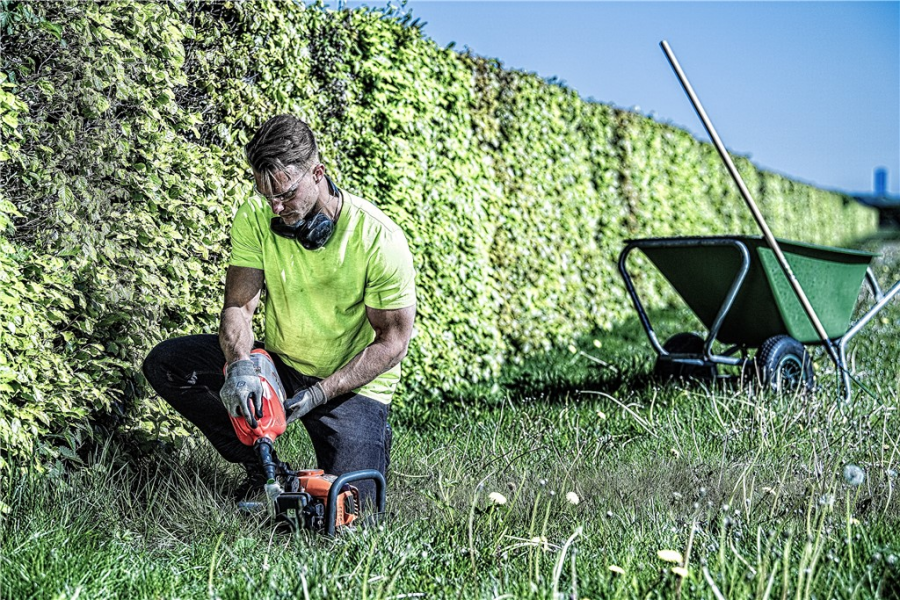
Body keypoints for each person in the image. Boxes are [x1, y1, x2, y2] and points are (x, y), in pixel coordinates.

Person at [143, 115, 416, 505]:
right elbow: (238, 306)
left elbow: (393, 343)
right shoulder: (256, 216)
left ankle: (359, 451)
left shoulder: (378, 238)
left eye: (285, 194)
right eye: (265, 194)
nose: (274, 206)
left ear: (318, 173)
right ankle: (265, 469)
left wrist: (318, 394)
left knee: (353, 512)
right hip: (281, 365)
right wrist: (240, 367)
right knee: (168, 363)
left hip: (350, 384)